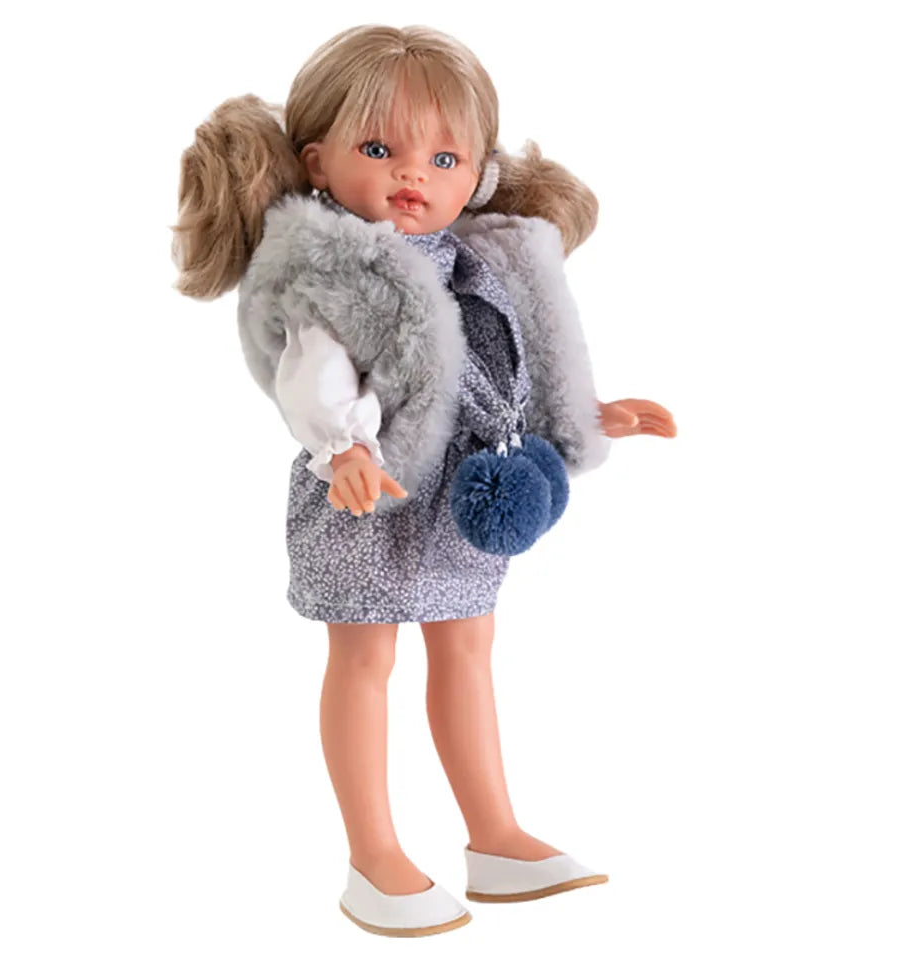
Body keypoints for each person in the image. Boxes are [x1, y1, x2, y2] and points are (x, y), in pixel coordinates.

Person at [172, 23, 676, 938]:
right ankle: (374, 856)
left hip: (462, 496)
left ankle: (495, 836)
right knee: (365, 659)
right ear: (317, 161)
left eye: (445, 157)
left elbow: (505, 365)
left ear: (477, 175)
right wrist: (343, 449)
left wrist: (590, 413)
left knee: (469, 649)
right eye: (379, 150)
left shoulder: (482, 260)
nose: (414, 173)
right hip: (368, 494)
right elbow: (311, 377)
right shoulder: (331, 270)